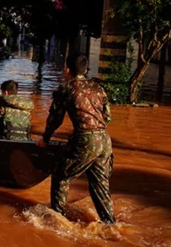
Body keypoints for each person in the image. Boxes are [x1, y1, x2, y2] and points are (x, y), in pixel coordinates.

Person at [37, 53, 116, 224]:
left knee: (61, 177)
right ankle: (110, 225)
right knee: (100, 185)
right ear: (86, 69)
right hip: (104, 140)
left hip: (85, 140)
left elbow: (54, 119)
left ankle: (57, 221)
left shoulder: (66, 89)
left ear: (67, 70)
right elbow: (107, 117)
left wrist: (45, 139)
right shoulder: (98, 88)